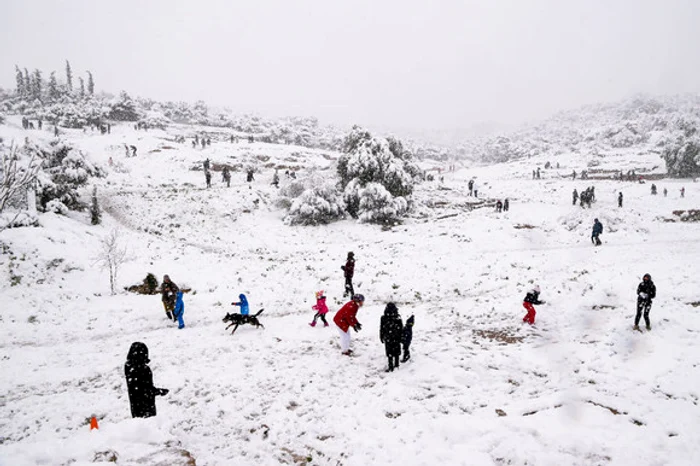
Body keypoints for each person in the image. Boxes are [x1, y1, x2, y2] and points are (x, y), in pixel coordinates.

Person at [124, 342, 169, 418]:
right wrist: (159, 391)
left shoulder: (128, 366)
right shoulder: (143, 369)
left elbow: (140, 388)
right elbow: (146, 390)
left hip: (135, 407)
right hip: (147, 407)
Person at [379, 303, 403, 372]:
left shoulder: (383, 318)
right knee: (396, 352)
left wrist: (381, 336)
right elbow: (401, 328)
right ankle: (396, 365)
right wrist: (401, 337)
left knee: (389, 352)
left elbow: (381, 328)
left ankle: (391, 366)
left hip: (388, 337)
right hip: (396, 337)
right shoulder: (398, 317)